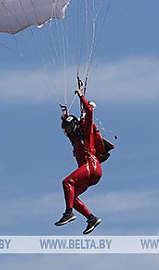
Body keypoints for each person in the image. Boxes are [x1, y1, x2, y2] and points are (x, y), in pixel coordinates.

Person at [55, 82, 103, 235]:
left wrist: (81, 95)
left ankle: (68, 213)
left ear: (74, 126)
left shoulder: (85, 132)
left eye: (68, 128)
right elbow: (70, 125)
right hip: (92, 173)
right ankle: (91, 218)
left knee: (67, 182)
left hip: (91, 166)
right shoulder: (74, 139)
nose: (67, 132)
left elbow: (89, 110)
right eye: (65, 130)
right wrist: (66, 116)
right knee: (72, 195)